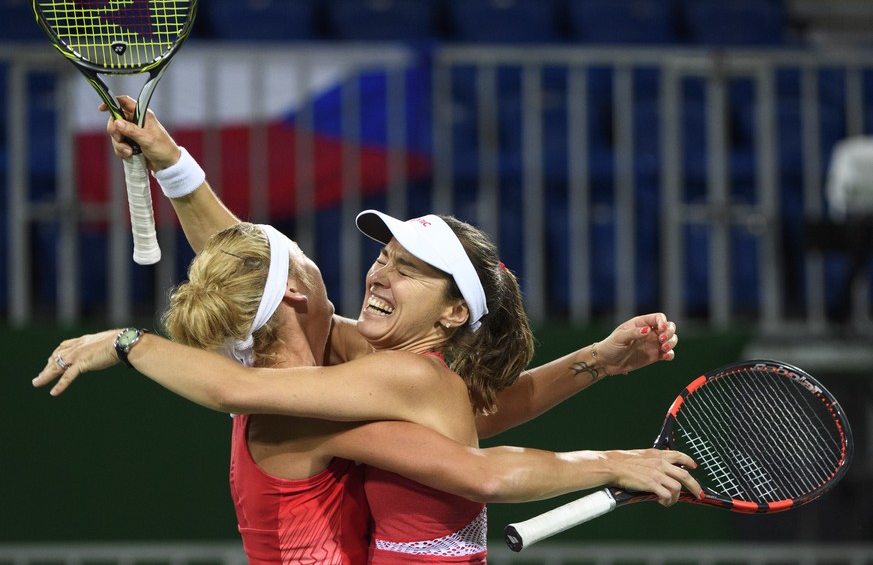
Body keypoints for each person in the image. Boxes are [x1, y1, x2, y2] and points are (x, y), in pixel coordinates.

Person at [34, 217, 699, 564]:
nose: (379, 272)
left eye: (408, 270)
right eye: (384, 258)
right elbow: (474, 451)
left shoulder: (384, 376)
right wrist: (607, 430)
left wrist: (130, 342)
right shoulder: (372, 375)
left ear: (451, 315)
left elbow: (475, 441)